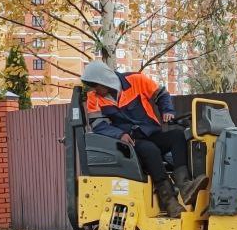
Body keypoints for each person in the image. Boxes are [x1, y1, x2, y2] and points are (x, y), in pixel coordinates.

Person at [81, 60, 191, 217]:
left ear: (104, 79)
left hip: (152, 134)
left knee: (178, 136)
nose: (94, 89)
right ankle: (169, 201)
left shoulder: (136, 80)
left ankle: (185, 184)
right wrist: (119, 135)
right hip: (132, 142)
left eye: (95, 85)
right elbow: (98, 124)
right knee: (150, 150)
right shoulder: (94, 98)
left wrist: (167, 110)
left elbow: (161, 94)